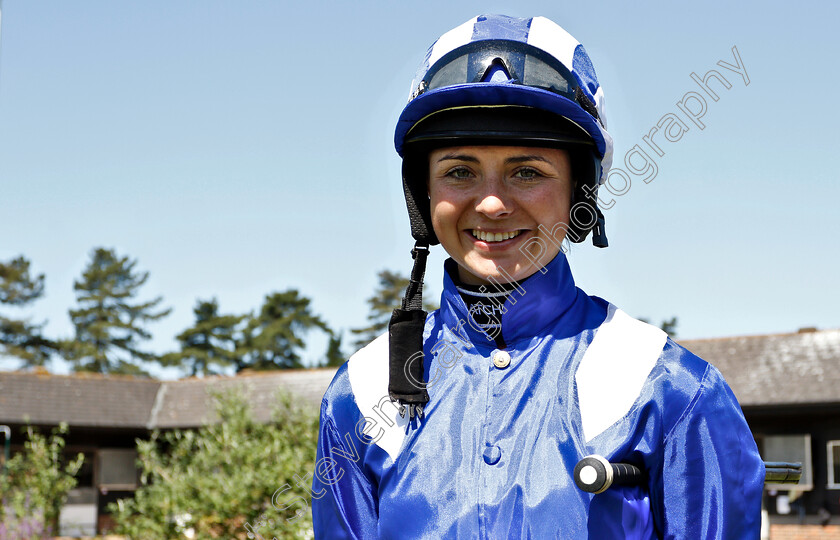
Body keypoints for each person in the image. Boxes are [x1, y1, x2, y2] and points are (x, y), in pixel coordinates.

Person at [312, 14, 764, 539]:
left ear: (580, 191)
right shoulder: (361, 395)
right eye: (459, 171)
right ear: (424, 195)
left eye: (527, 171)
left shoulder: (673, 391)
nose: (492, 202)